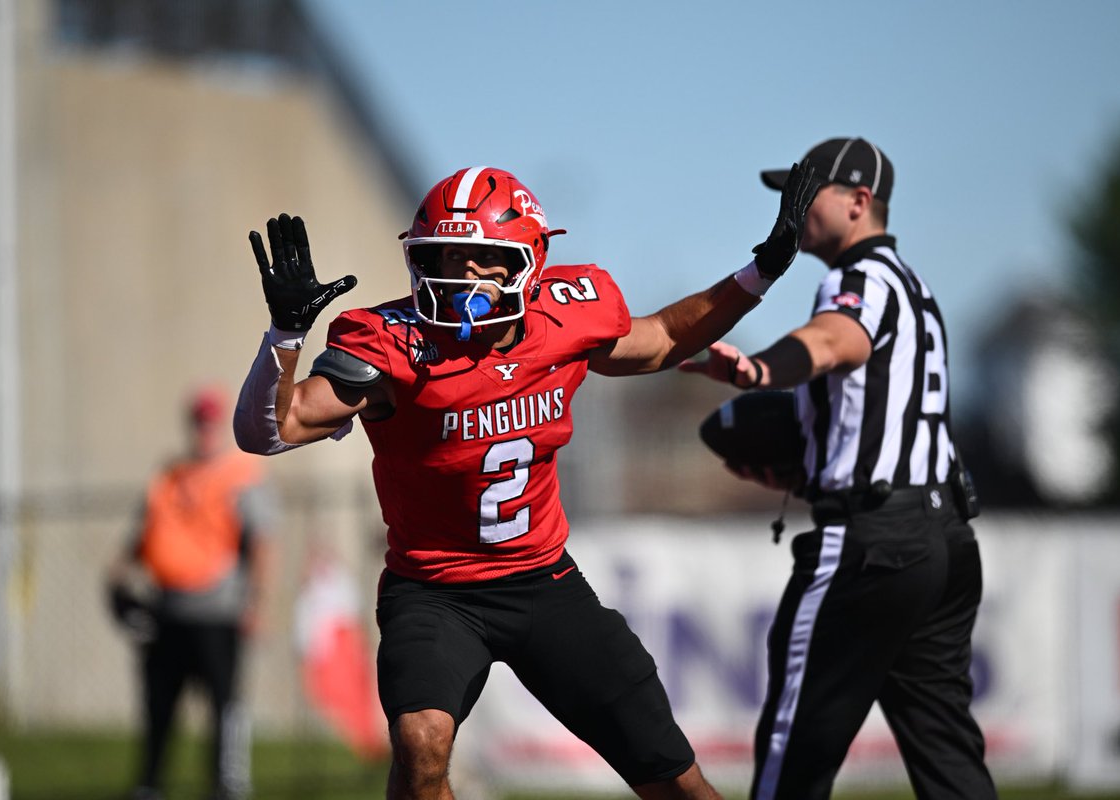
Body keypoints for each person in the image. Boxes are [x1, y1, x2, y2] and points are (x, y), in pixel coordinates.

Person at [232, 163, 818, 799]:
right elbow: (270, 429)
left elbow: (665, 338)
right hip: (434, 588)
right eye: (443, 257)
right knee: (420, 739)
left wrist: (763, 271)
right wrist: (285, 335)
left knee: (672, 776)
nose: (456, 277)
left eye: (476, 258)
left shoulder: (567, 316)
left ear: (524, 263)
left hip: (543, 582)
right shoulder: (390, 343)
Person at [680, 137, 998, 799]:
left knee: (793, 753)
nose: (791, 212)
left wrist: (761, 370)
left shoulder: (859, 279)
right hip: (944, 540)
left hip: (872, 545)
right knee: (948, 757)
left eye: (805, 196)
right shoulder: (916, 288)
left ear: (858, 201)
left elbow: (832, 342)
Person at [107, 385, 276, 800]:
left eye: (210, 422)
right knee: (159, 709)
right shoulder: (170, 476)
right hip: (168, 611)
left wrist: (256, 602)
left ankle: (227, 785)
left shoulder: (240, 475)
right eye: (198, 422)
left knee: (225, 708)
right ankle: (150, 784)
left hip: (218, 613)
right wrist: (117, 580)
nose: (204, 430)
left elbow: (262, 543)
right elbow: (140, 539)